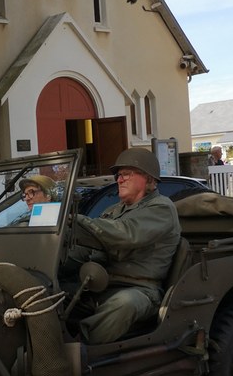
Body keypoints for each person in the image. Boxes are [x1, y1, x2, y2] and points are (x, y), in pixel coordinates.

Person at [66, 147, 181, 344]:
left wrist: (77, 220)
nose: (119, 180)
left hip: (141, 289)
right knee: (55, 294)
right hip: (102, 285)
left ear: (148, 178)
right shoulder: (114, 210)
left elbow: (125, 234)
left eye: (126, 174)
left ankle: (81, 349)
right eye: (118, 176)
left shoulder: (162, 207)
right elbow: (91, 245)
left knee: (123, 304)